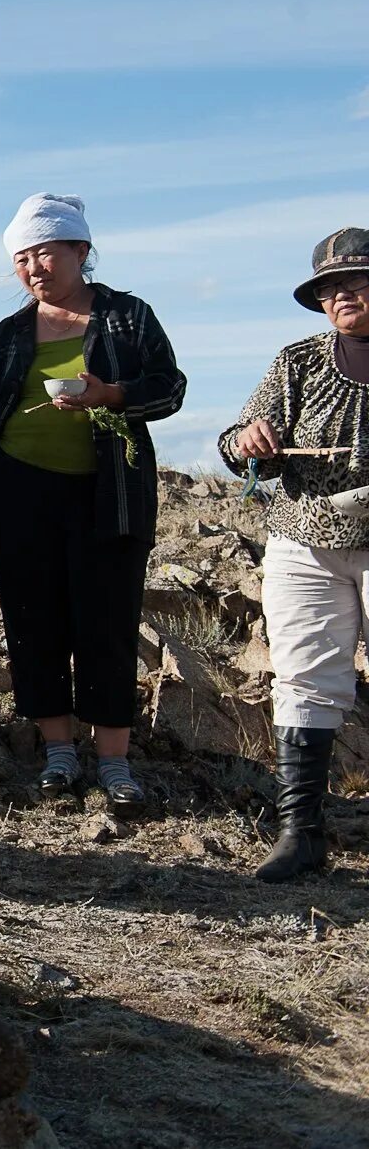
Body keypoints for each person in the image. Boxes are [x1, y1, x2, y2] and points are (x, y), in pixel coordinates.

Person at [0, 194, 185, 809]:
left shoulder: (127, 317)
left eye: (44, 253)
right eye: (22, 259)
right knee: (33, 621)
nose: (33, 268)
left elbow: (169, 388)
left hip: (110, 493)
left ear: (80, 251)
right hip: (20, 493)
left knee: (106, 621)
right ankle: (57, 753)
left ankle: (114, 764)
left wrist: (111, 394)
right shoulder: (8, 334)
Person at [220, 227, 369, 880]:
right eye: (331, 288)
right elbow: (235, 439)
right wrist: (247, 440)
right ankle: (301, 834)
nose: (343, 295)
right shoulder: (300, 360)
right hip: (304, 539)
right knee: (305, 676)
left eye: (357, 281)